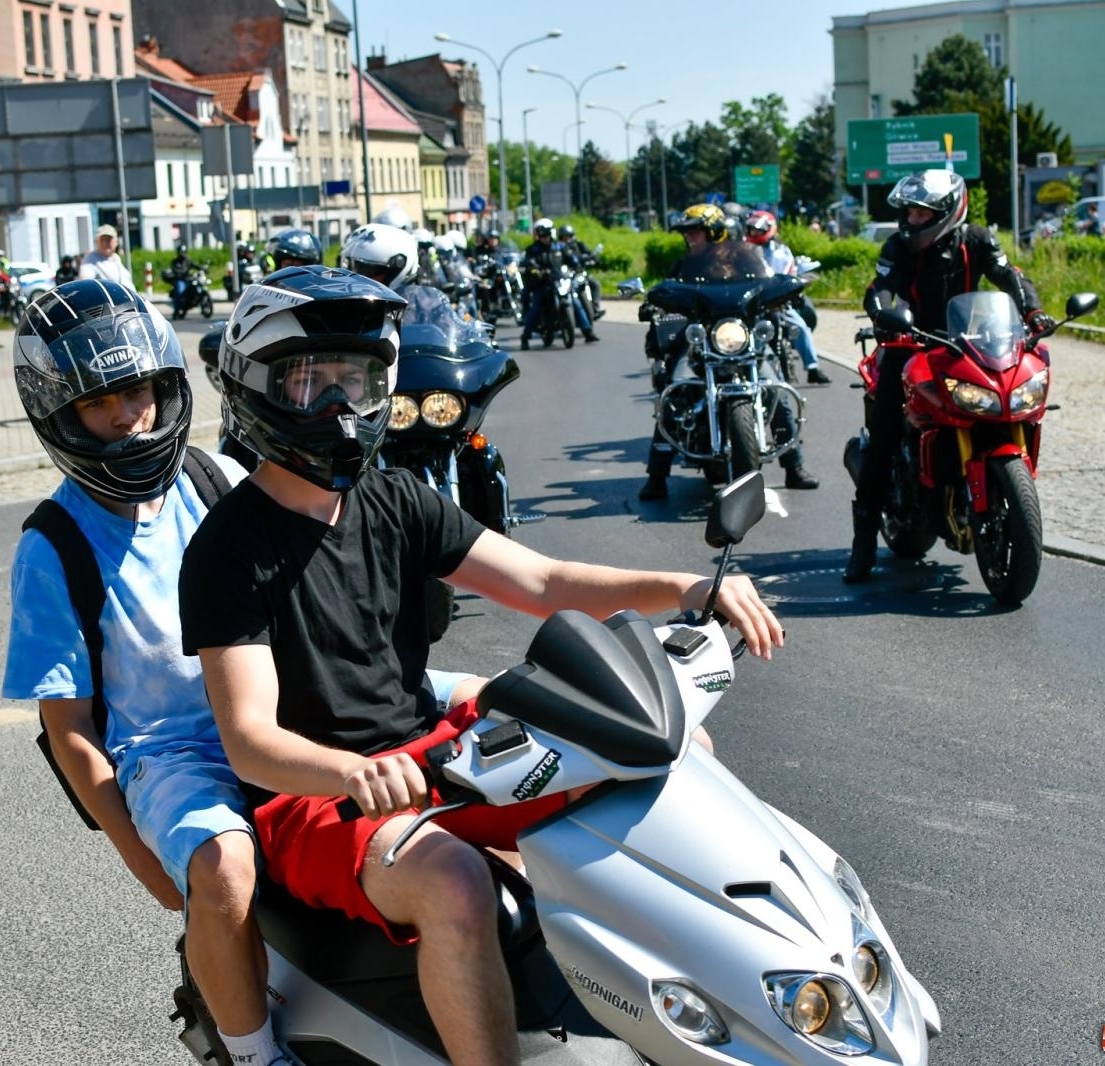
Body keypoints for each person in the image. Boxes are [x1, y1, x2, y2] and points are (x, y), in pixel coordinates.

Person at [178, 267, 784, 1066]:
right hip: (315, 800)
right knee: (455, 882)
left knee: (668, 755)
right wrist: (350, 773)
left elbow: (540, 581)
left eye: (354, 381)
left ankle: (751, 1005)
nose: (337, 405)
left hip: (431, 752)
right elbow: (253, 739)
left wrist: (685, 583)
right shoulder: (228, 548)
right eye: (308, 381)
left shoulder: (395, 499)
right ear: (257, 387)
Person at [3, 279, 469, 1066]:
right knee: (224, 869)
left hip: (288, 698)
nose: (128, 416)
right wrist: (143, 857)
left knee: (500, 713)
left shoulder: (212, 477)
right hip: (177, 749)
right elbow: (71, 732)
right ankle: (252, 1053)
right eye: (100, 404)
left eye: (141, 391)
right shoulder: (53, 545)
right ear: (58, 415)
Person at [845, 169, 1052, 584]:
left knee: (1013, 400)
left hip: (973, 342)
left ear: (947, 211)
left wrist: (1032, 311)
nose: (913, 221)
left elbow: (1009, 275)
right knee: (885, 432)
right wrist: (885, 318)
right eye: (910, 213)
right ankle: (863, 544)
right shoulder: (898, 246)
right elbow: (881, 288)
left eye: (923, 214)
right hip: (911, 343)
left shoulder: (976, 240)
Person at [638, 205, 818, 501]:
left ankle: (794, 466)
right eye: (687, 233)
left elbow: (767, 280)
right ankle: (656, 477)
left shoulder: (744, 257)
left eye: (695, 231)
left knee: (776, 389)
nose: (690, 238)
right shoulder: (684, 266)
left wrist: (787, 289)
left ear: (714, 232)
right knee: (676, 387)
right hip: (700, 342)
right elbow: (667, 289)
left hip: (741, 338)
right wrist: (654, 300)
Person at [743, 210, 831, 385]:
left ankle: (813, 368)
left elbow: (788, 274)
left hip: (778, 303)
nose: (755, 233)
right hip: (751, 303)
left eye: (759, 229)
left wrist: (794, 289)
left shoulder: (780, 252)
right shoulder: (742, 250)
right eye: (752, 229)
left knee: (801, 328)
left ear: (770, 229)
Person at [519, 217, 597, 349]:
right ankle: (525, 337)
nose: (544, 238)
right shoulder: (533, 250)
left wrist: (577, 266)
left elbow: (572, 259)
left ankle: (587, 331)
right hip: (543, 284)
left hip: (561, 281)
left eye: (547, 235)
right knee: (536, 306)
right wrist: (534, 269)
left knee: (575, 302)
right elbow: (528, 262)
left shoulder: (560, 247)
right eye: (542, 235)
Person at [555, 222, 604, 320]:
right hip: (566, 276)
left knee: (594, 284)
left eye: (568, 236)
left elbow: (590, 254)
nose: (566, 239)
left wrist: (594, 258)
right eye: (564, 237)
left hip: (579, 273)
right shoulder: (558, 248)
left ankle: (595, 307)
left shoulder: (579, 245)